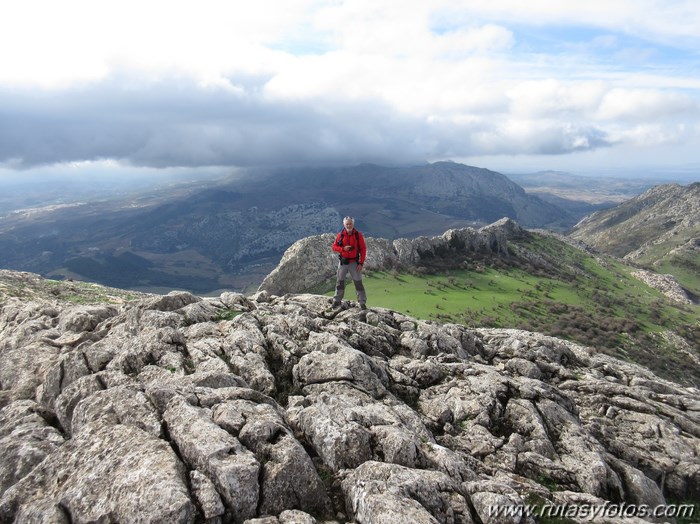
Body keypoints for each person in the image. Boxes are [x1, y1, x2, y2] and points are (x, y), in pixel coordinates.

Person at [331, 216, 367, 309]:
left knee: (358, 283)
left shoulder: (358, 235)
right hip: (343, 262)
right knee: (340, 282)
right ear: (344, 224)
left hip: (354, 263)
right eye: (347, 224)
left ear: (353, 224)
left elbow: (363, 249)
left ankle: (362, 303)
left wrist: (361, 263)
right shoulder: (340, 235)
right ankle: (337, 301)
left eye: (350, 223)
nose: (349, 225)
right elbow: (334, 247)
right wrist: (343, 249)